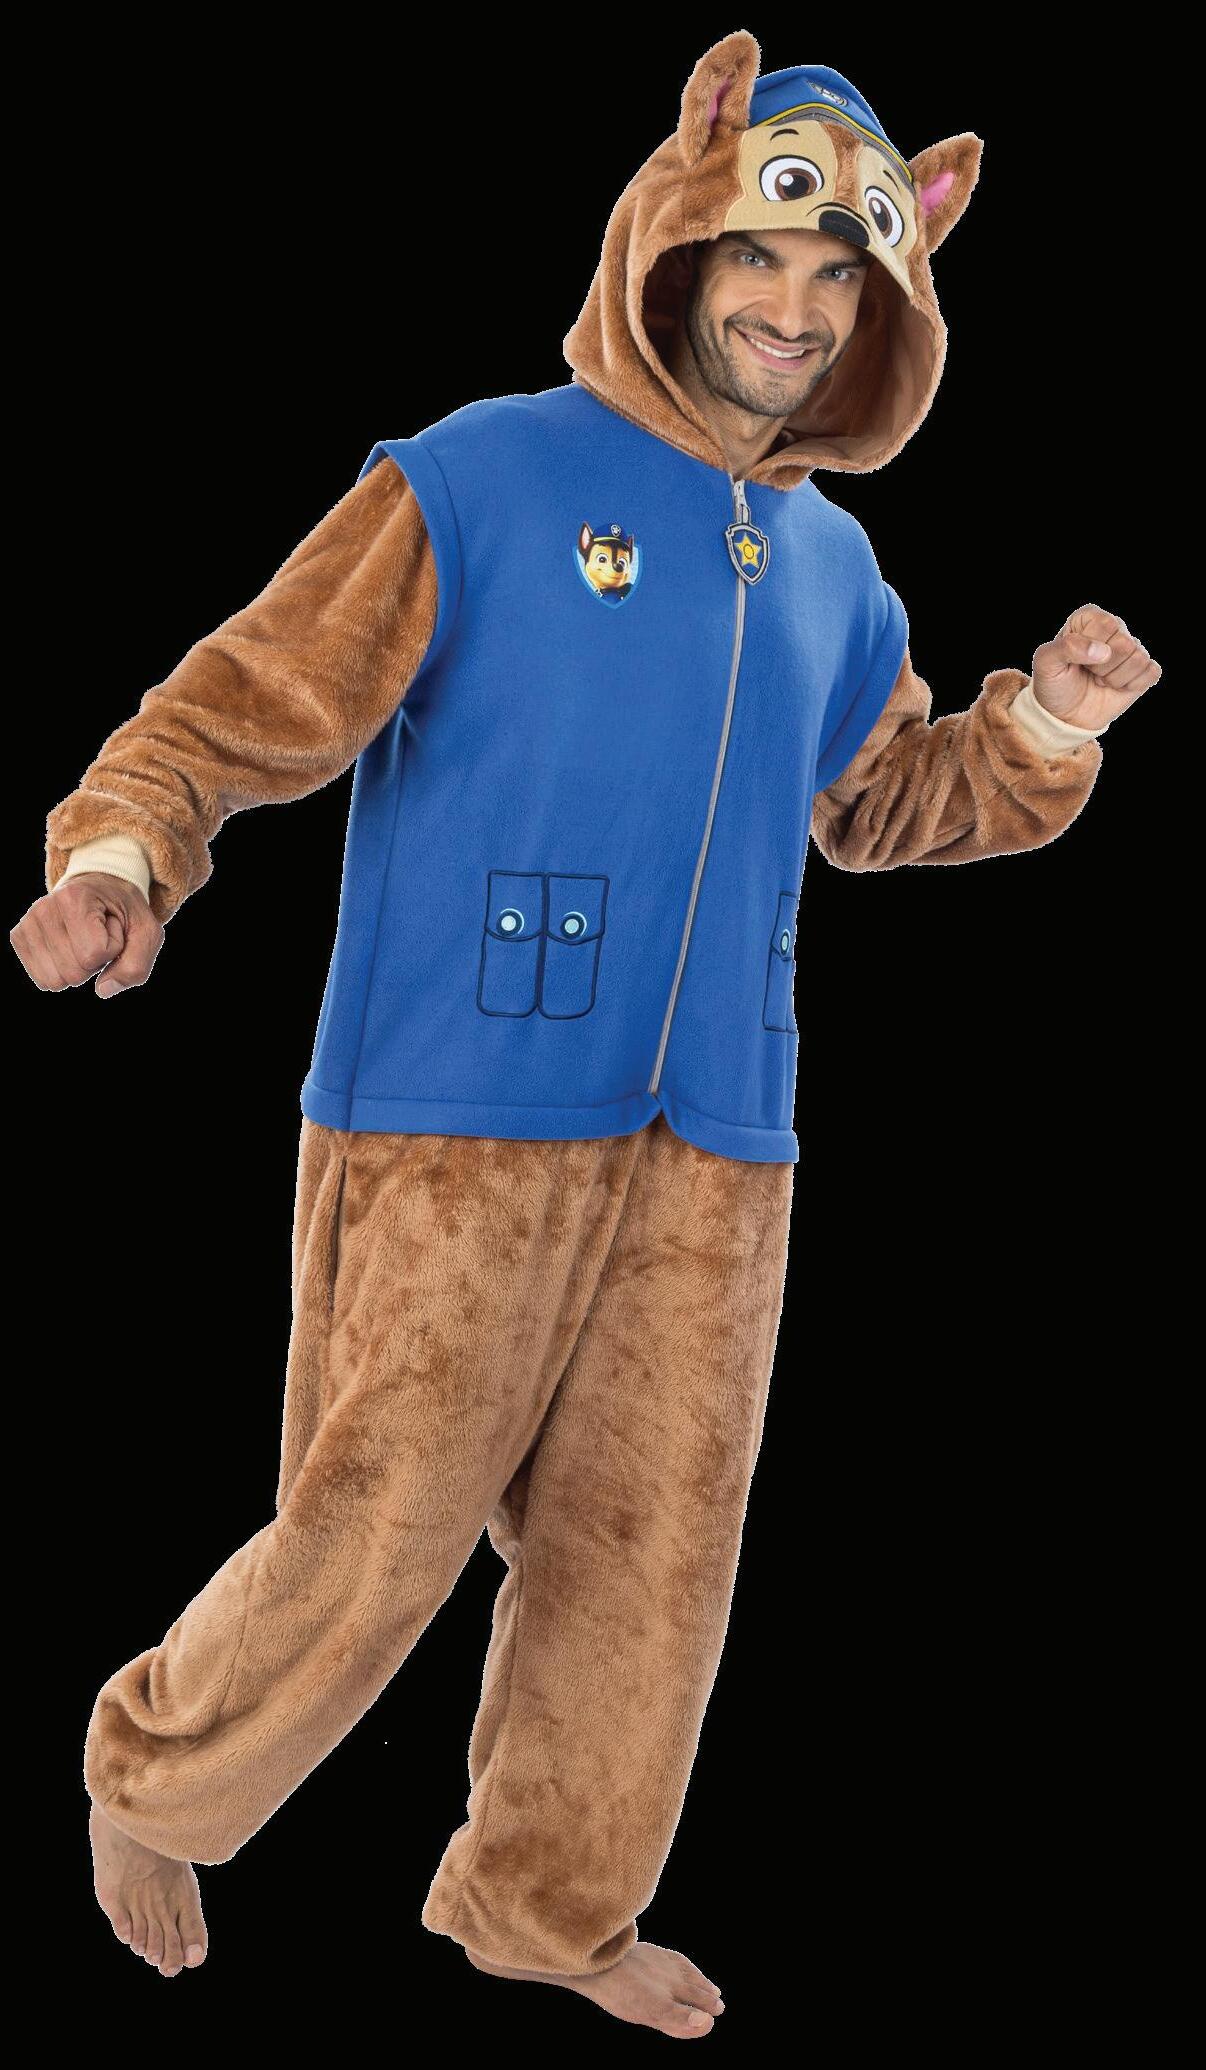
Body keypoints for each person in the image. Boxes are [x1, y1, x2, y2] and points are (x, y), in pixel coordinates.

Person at [10, 38, 1159, 2036]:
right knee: (375, 1529)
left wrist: (1046, 720)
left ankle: (541, 1909)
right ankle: (158, 1782)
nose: (794, 311)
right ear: (681, 242)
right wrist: (122, 854)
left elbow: (884, 803)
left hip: (719, 1144)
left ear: (885, 310)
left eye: (839, 283)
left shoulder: (835, 571)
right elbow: (238, 704)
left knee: (649, 1569)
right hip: (457, 1109)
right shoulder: (472, 478)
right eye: (764, 262)